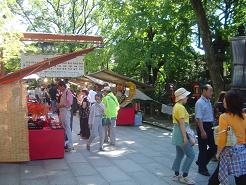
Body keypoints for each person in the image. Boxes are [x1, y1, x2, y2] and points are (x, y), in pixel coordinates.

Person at [208, 90, 246, 185]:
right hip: (241, 151)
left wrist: (218, 153)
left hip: (228, 152)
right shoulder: (244, 117)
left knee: (215, 179)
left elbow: (222, 138)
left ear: (230, 102)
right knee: (241, 178)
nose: (223, 101)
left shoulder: (224, 117)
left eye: (225, 100)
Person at [171, 88, 195, 185]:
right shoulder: (180, 107)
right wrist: (185, 137)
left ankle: (176, 174)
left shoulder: (176, 106)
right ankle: (184, 176)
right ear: (182, 97)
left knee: (180, 155)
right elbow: (182, 123)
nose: (187, 97)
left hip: (177, 133)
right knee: (191, 155)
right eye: (186, 96)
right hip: (181, 133)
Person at [195, 84, 217, 176]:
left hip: (210, 126)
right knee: (203, 148)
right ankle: (202, 168)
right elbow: (199, 118)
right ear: (204, 91)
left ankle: (201, 161)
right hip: (203, 126)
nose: (212, 93)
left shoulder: (208, 101)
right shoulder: (199, 102)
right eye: (210, 91)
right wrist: (202, 131)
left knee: (214, 147)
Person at [56, 81, 74, 152]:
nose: (59, 88)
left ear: (62, 86)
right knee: (63, 128)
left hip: (66, 112)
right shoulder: (63, 93)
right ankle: (64, 143)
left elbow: (69, 103)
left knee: (67, 128)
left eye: (59, 87)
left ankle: (70, 145)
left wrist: (60, 105)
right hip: (62, 112)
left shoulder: (68, 92)